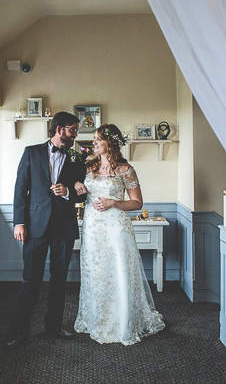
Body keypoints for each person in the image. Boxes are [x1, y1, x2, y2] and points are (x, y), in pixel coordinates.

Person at [73, 124, 165, 345]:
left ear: (110, 143)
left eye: (98, 139)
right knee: (96, 270)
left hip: (116, 226)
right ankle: (97, 318)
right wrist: (77, 183)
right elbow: (74, 185)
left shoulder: (126, 170)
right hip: (93, 227)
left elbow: (137, 202)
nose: (94, 142)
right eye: (94, 139)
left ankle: (123, 321)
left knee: (119, 269)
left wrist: (114, 202)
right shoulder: (88, 166)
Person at [7, 111, 87, 348]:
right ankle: (19, 331)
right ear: (60, 129)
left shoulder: (76, 155)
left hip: (63, 226)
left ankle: (54, 326)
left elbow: (83, 189)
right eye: (73, 129)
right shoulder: (31, 152)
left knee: (59, 280)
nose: (75, 134)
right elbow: (20, 189)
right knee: (30, 280)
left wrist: (69, 192)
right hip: (34, 227)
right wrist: (19, 222)